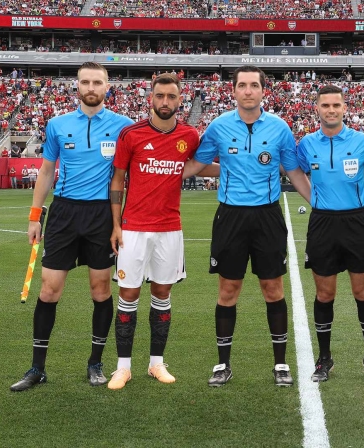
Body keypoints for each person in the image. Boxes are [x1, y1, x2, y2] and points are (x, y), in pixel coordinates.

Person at [10, 62, 134, 392]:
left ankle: (95, 363)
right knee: (49, 289)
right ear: (76, 86)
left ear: (108, 87)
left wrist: (122, 223)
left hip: (101, 215)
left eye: (97, 82)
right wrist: (35, 216)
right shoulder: (57, 125)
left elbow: (129, 176)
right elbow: (47, 171)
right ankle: (37, 368)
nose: (91, 87)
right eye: (85, 82)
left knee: (101, 290)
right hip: (64, 213)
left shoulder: (124, 127)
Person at [186, 65, 311, 387]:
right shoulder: (218, 127)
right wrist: (158, 173)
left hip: (267, 217)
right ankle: (222, 363)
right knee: (228, 290)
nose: (248, 91)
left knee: (273, 290)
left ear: (262, 91)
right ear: (234, 90)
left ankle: (281, 364)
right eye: (242, 85)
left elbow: (294, 172)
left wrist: (321, 205)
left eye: (254, 85)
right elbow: (198, 166)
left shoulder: (280, 128)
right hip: (230, 217)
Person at [107, 74, 214, 390]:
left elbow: (199, 166)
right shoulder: (131, 135)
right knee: (128, 294)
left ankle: (156, 364)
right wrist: (116, 224)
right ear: (150, 98)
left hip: (169, 229)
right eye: (160, 96)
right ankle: (122, 368)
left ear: (180, 100)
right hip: (133, 230)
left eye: (171, 96)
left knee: (162, 294)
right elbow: (117, 181)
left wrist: (247, 168)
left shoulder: (190, 135)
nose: (165, 101)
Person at [295, 85, 364, 384]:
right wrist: (315, 201)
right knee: (325, 294)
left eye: (336, 105)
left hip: (356, 223)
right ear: (317, 109)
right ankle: (324, 359)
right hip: (322, 224)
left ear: (345, 108)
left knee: (362, 293)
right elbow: (293, 171)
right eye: (325, 105)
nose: (331, 110)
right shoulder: (306, 145)